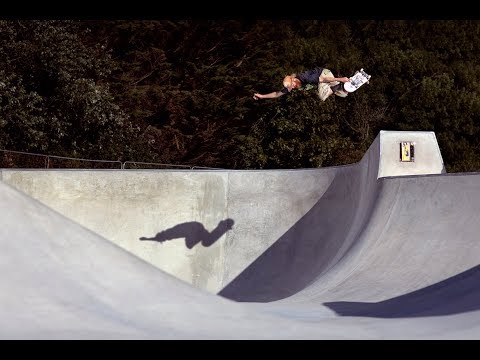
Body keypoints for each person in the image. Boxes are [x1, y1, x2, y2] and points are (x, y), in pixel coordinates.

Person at [253, 66, 351, 102]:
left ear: (294, 80)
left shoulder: (305, 77)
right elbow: (277, 94)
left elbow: (323, 79)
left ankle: (339, 82)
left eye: (293, 86)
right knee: (344, 94)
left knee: (322, 96)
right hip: (323, 80)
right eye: (291, 88)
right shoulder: (290, 86)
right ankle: (341, 85)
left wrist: (341, 79)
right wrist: (262, 96)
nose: (293, 88)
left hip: (324, 74)